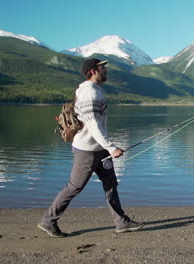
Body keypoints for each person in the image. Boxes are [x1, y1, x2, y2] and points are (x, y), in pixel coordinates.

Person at [37, 58, 144, 237]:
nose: (106, 70)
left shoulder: (95, 91)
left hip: (99, 149)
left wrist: (106, 148)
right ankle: (48, 221)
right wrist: (111, 147)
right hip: (86, 151)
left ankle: (121, 222)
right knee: (74, 187)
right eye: (103, 68)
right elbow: (93, 124)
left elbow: (96, 125)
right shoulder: (90, 93)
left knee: (110, 185)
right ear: (94, 71)